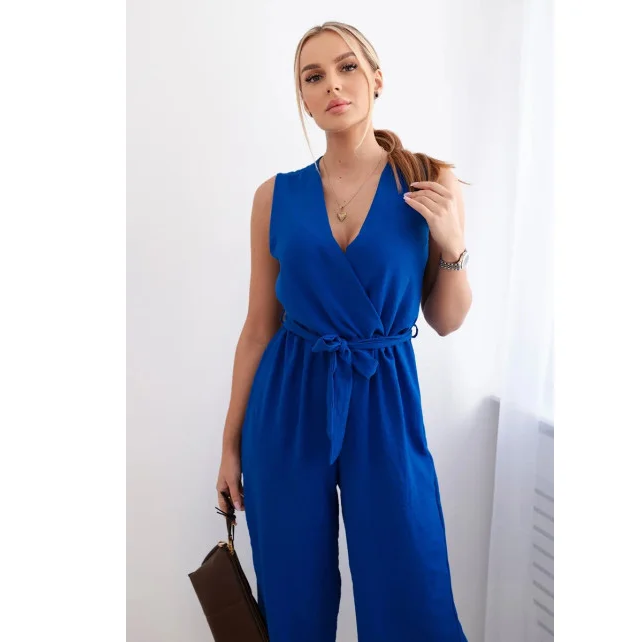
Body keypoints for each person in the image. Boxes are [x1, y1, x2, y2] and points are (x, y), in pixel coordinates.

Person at [216, 21, 472, 642]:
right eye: (314, 77)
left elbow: (445, 320)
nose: (332, 84)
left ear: (376, 79)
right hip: (289, 398)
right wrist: (229, 444)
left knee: (409, 582)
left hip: (385, 396)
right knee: (292, 592)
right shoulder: (274, 197)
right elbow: (259, 327)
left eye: (347, 66)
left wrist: (453, 247)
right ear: (303, 99)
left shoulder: (429, 181)